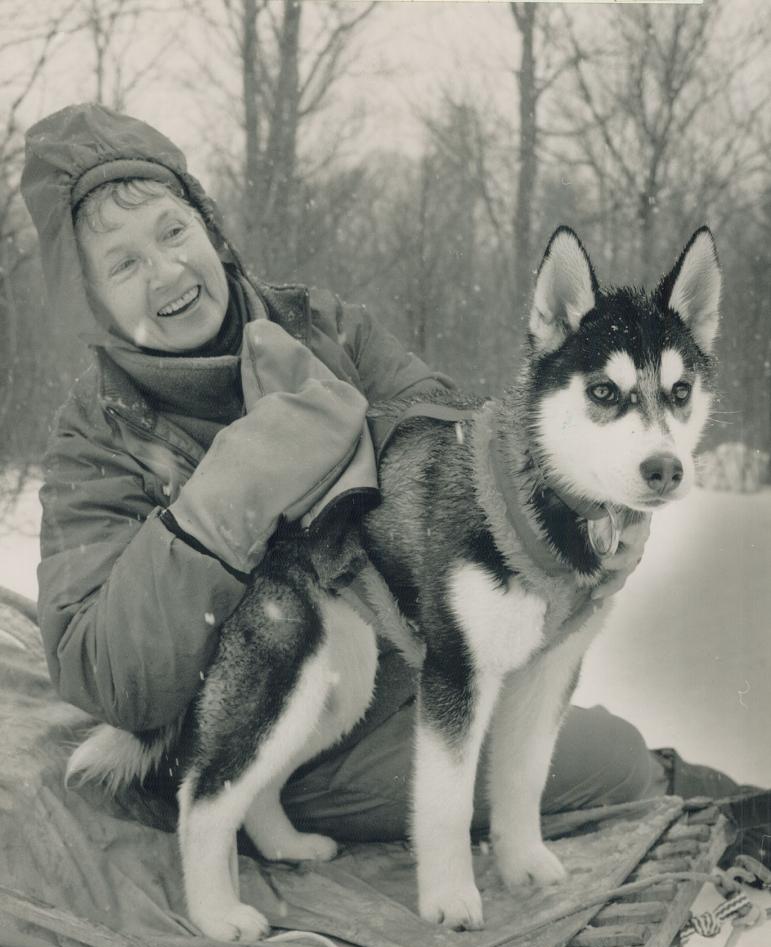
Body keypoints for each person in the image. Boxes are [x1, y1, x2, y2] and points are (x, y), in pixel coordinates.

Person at [21, 102, 759, 854]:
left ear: (207, 227)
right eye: (123, 264)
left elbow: (451, 436)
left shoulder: (315, 325)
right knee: (605, 759)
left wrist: (573, 501)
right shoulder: (96, 440)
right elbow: (104, 674)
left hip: (391, 647)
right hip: (263, 709)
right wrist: (228, 496)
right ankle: (691, 819)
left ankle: (718, 808)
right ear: (91, 300)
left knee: (574, 731)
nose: (166, 271)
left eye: (172, 232)